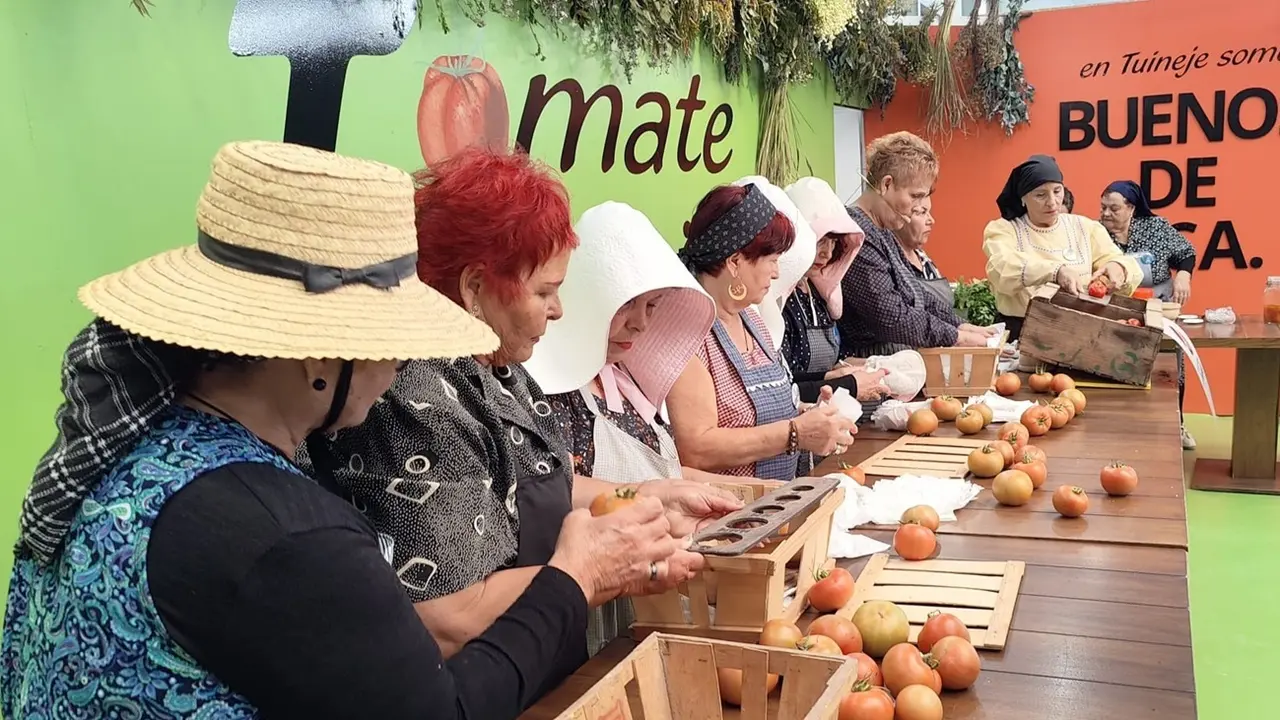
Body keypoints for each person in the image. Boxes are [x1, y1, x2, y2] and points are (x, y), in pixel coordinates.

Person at [1, 141, 692, 719]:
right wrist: (574, 577)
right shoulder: (285, 534)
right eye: (388, 338)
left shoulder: (141, 453)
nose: (399, 363)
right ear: (316, 353)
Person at [300, 149, 738, 667]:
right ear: (475, 288)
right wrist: (598, 569)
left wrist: (646, 497)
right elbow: (448, 616)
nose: (558, 309)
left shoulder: (497, 364)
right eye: (544, 291)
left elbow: (539, 481)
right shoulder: (409, 397)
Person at [525, 201, 752, 654]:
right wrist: (650, 494)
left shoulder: (629, 379)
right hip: (585, 614)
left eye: (651, 306)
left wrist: (762, 491)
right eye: (628, 304)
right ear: (589, 295)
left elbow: (663, 473)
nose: (641, 323)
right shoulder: (543, 391)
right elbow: (553, 488)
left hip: (654, 598)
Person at [666, 183, 856, 482]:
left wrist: (810, 416)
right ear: (735, 262)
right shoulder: (687, 333)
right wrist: (794, 432)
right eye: (772, 260)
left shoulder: (752, 322)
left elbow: (762, 417)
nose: (777, 272)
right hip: (726, 516)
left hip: (776, 502)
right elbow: (696, 448)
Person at [838, 131, 992, 356]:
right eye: (914, 196)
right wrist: (957, 337)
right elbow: (891, 317)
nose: (917, 208)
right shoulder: (857, 236)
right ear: (886, 185)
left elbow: (915, 292)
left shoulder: (885, 232)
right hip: (871, 364)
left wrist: (960, 325)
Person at [983, 155, 1141, 340]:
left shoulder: (1084, 227)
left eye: (1057, 191)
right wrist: (1056, 271)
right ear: (1023, 198)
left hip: (1081, 330)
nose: (1052, 202)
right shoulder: (1004, 229)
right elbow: (1002, 269)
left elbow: (1123, 262)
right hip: (1023, 331)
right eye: (1040, 195)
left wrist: (1118, 267)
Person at [1100, 179, 1198, 449]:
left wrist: (1184, 277)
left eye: (1114, 208)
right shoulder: (1096, 233)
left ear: (1131, 208)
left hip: (1159, 306)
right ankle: (1118, 427)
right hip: (1116, 309)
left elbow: (1185, 253)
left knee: (1169, 368)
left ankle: (1177, 425)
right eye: (1103, 207)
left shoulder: (1156, 227)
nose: (1106, 214)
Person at [782, 177, 891, 404]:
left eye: (834, 243)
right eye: (821, 240)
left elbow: (834, 362)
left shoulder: (817, 295)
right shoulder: (779, 303)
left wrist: (880, 365)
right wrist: (842, 382)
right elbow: (782, 385)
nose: (827, 254)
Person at [892, 195, 952, 308]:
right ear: (900, 217)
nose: (931, 220)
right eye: (922, 212)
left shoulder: (923, 257)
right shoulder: (890, 262)